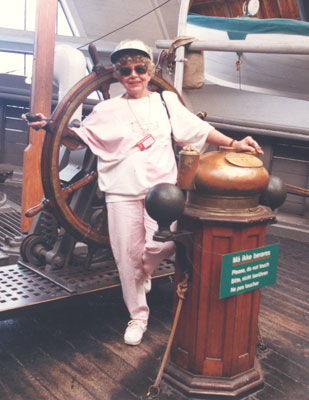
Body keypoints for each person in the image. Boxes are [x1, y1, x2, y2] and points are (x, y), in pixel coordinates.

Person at [23, 39, 263, 346]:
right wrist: (50, 126)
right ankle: (138, 316)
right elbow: (78, 139)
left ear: (149, 71)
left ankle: (144, 271)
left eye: (139, 68)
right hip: (121, 193)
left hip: (161, 194)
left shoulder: (166, 102)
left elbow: (199, 131)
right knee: (125, 258)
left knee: (159, 246)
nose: (133, 75)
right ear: (118, 74)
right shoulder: (107, 109)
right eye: (125, 70)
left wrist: (233, 143)